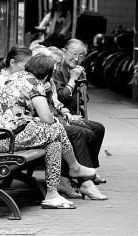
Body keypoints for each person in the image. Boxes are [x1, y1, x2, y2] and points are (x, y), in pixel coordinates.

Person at [0, 54, 97, 209]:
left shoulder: (16, 76)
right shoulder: (35, 84)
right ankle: (74, 167)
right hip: (8, 139)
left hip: (2, 136)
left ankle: (52, 194)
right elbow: (47, 118)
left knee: (53, 142)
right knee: (56, 128)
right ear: (46, 74)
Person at [32, 46, 108, 200]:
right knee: (77, 132)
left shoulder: (47, 80)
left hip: (50, 120)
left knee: (94, 129)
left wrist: (65, 112)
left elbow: (58, 103)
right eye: (53, 65)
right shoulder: (35, 82)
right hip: (32, 127)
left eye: (81, 55)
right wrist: (72, 82)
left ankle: (81, 172)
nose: (55, 68)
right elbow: (57, 102)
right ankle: (81, 179)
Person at [53, 40, 106, 183]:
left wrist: (81, 83)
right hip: (62, 115)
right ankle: (86, 175)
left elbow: (83, 100)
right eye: (73, 54)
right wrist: (73, 79)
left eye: (81, 56)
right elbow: (61, 97)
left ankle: (92, 168)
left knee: (99, 128)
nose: (76, 59)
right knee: (86, 131)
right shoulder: (57, 70)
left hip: (71, 114)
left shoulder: (77, 70)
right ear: (65, 51)